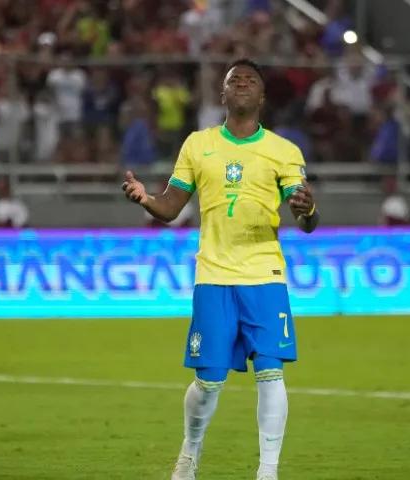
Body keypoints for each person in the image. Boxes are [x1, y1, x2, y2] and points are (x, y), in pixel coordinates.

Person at [122, 59, 319, 480]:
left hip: (264, 275)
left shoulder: (284, 151)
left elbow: (305, 217)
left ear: (262, 97)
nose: (242, 83)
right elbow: (171, 206)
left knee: (271, 370)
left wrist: (308, 209)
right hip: (213, 276)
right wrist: (145, 198)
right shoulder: (198, 144)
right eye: (234, 80)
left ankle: (268, 471)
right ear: (223, 94)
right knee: (208, 381)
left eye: (250, 80)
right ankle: (189, 456)